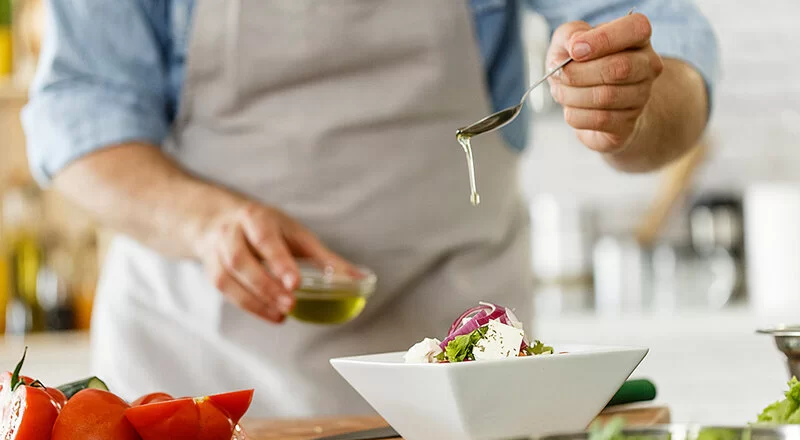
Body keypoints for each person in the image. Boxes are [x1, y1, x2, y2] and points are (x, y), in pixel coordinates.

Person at [23, 1, 718, 416]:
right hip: (192, 377)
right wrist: (204, 222)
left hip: (462, 385)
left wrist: (628, 98)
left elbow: (673, 59)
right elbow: (77, 112)